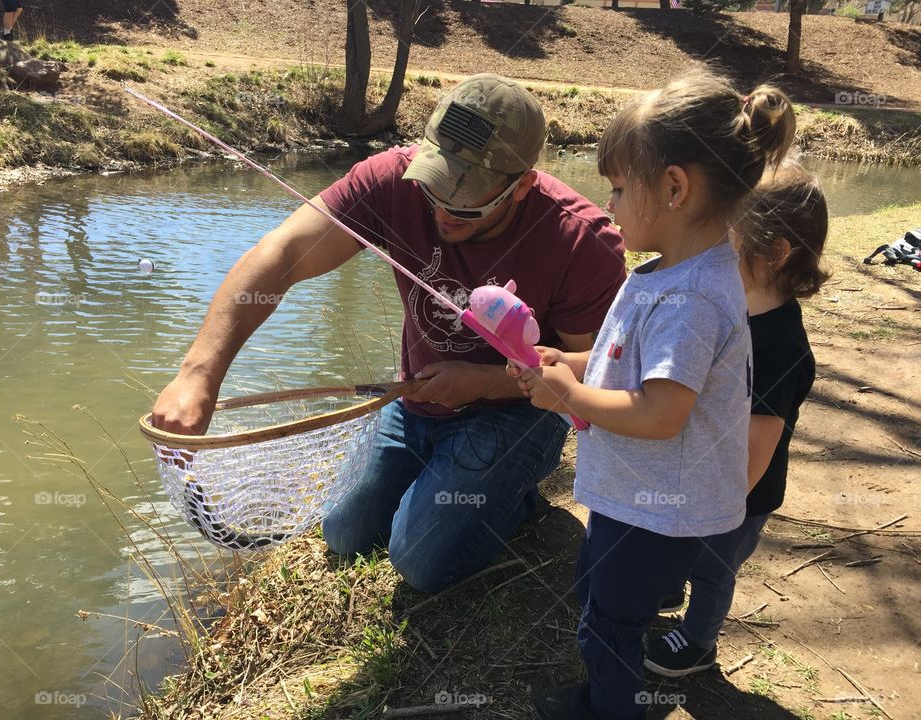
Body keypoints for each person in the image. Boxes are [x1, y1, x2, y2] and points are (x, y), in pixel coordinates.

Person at [151, 73, 626, 593]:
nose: (443, 210)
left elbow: (597, 373)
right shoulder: (390, 180)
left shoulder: (581, 242)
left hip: (517, 413)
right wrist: (198, 374)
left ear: (522, 186)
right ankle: (455, 486)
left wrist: (485, 382)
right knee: (347, 535)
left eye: (465, 201)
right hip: (417, 401)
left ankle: (515, 495)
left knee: (420, 562)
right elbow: (281, 254)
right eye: (434, 186)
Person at [508, 70, 796, 720]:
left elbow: (662, 412)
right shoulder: (674, 273)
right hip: (641, 502)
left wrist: (568, 398)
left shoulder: (690, 298)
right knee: (600, 599)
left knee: (608, 626)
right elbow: (630, 364)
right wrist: (573, 362)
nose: (606, 203)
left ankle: (611, 710)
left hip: (655, 510)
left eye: (616, 187)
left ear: (673, 186)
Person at [643, 165, 829, 678]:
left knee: (712, 569)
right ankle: (667, 587)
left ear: (773, 254)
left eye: (725, 240)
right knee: (680, 547)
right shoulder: (731, 308)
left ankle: (699, 641)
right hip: (700, 479)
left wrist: (714, 506)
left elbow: (757, 447)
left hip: (737, 498)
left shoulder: (779, 347)